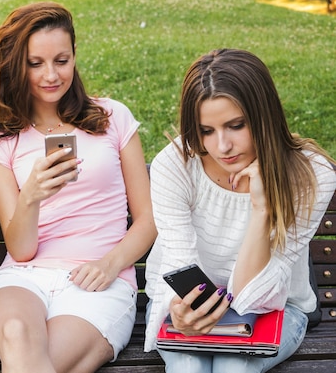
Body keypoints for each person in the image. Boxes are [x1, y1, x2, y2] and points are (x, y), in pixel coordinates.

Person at [0, 1, 157, 373]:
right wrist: (32, 197)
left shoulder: (111, 118)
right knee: (17, 333)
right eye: (35, 63)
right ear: (16, 65)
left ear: (74, 57)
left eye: (62, 60)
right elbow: (21, 250)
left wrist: (111, 264)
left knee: (47, 362)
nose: (51, 75)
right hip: (23, 278)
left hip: (99, 280)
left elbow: (149, 219)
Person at [144, 48, 336, 372]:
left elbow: (256, 298)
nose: (222, 146)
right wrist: (179, 312)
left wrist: (261, 210)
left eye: (236, 125)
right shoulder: (175, 166)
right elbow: (178, 262)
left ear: (264, 116)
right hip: (190, 308)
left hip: (276, 310)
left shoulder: (312, 175)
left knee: (234, 367)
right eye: (207, 131)